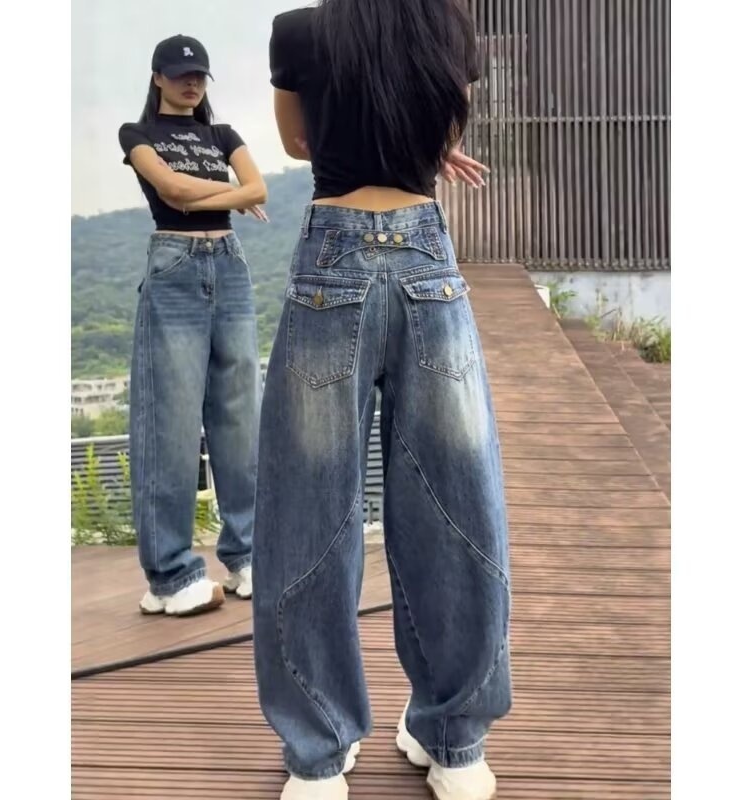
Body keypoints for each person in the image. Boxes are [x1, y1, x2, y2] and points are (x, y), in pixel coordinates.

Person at [252, 3, 512, 799]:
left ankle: (318, 755)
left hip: (331, 261)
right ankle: (455, 745)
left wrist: (366, 136)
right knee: (457, 512)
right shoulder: (449, 28)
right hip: (427, 261)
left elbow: (301, 143)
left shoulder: (299, 30)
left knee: (307, 517)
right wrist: (415, 144)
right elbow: (435, 134)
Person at [118, 34, 266, 617]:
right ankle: (171, 574)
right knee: (170, 425)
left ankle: (249, 556)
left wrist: (216, 196)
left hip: (230, 266)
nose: (192, 83)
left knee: (240, 419)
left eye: (200, 75)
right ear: (157, 77)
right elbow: (172, 191)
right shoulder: (137, 135)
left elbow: (259, 188)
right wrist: (230, 193)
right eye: (181, 74)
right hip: (174, 267)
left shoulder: (223, 134)